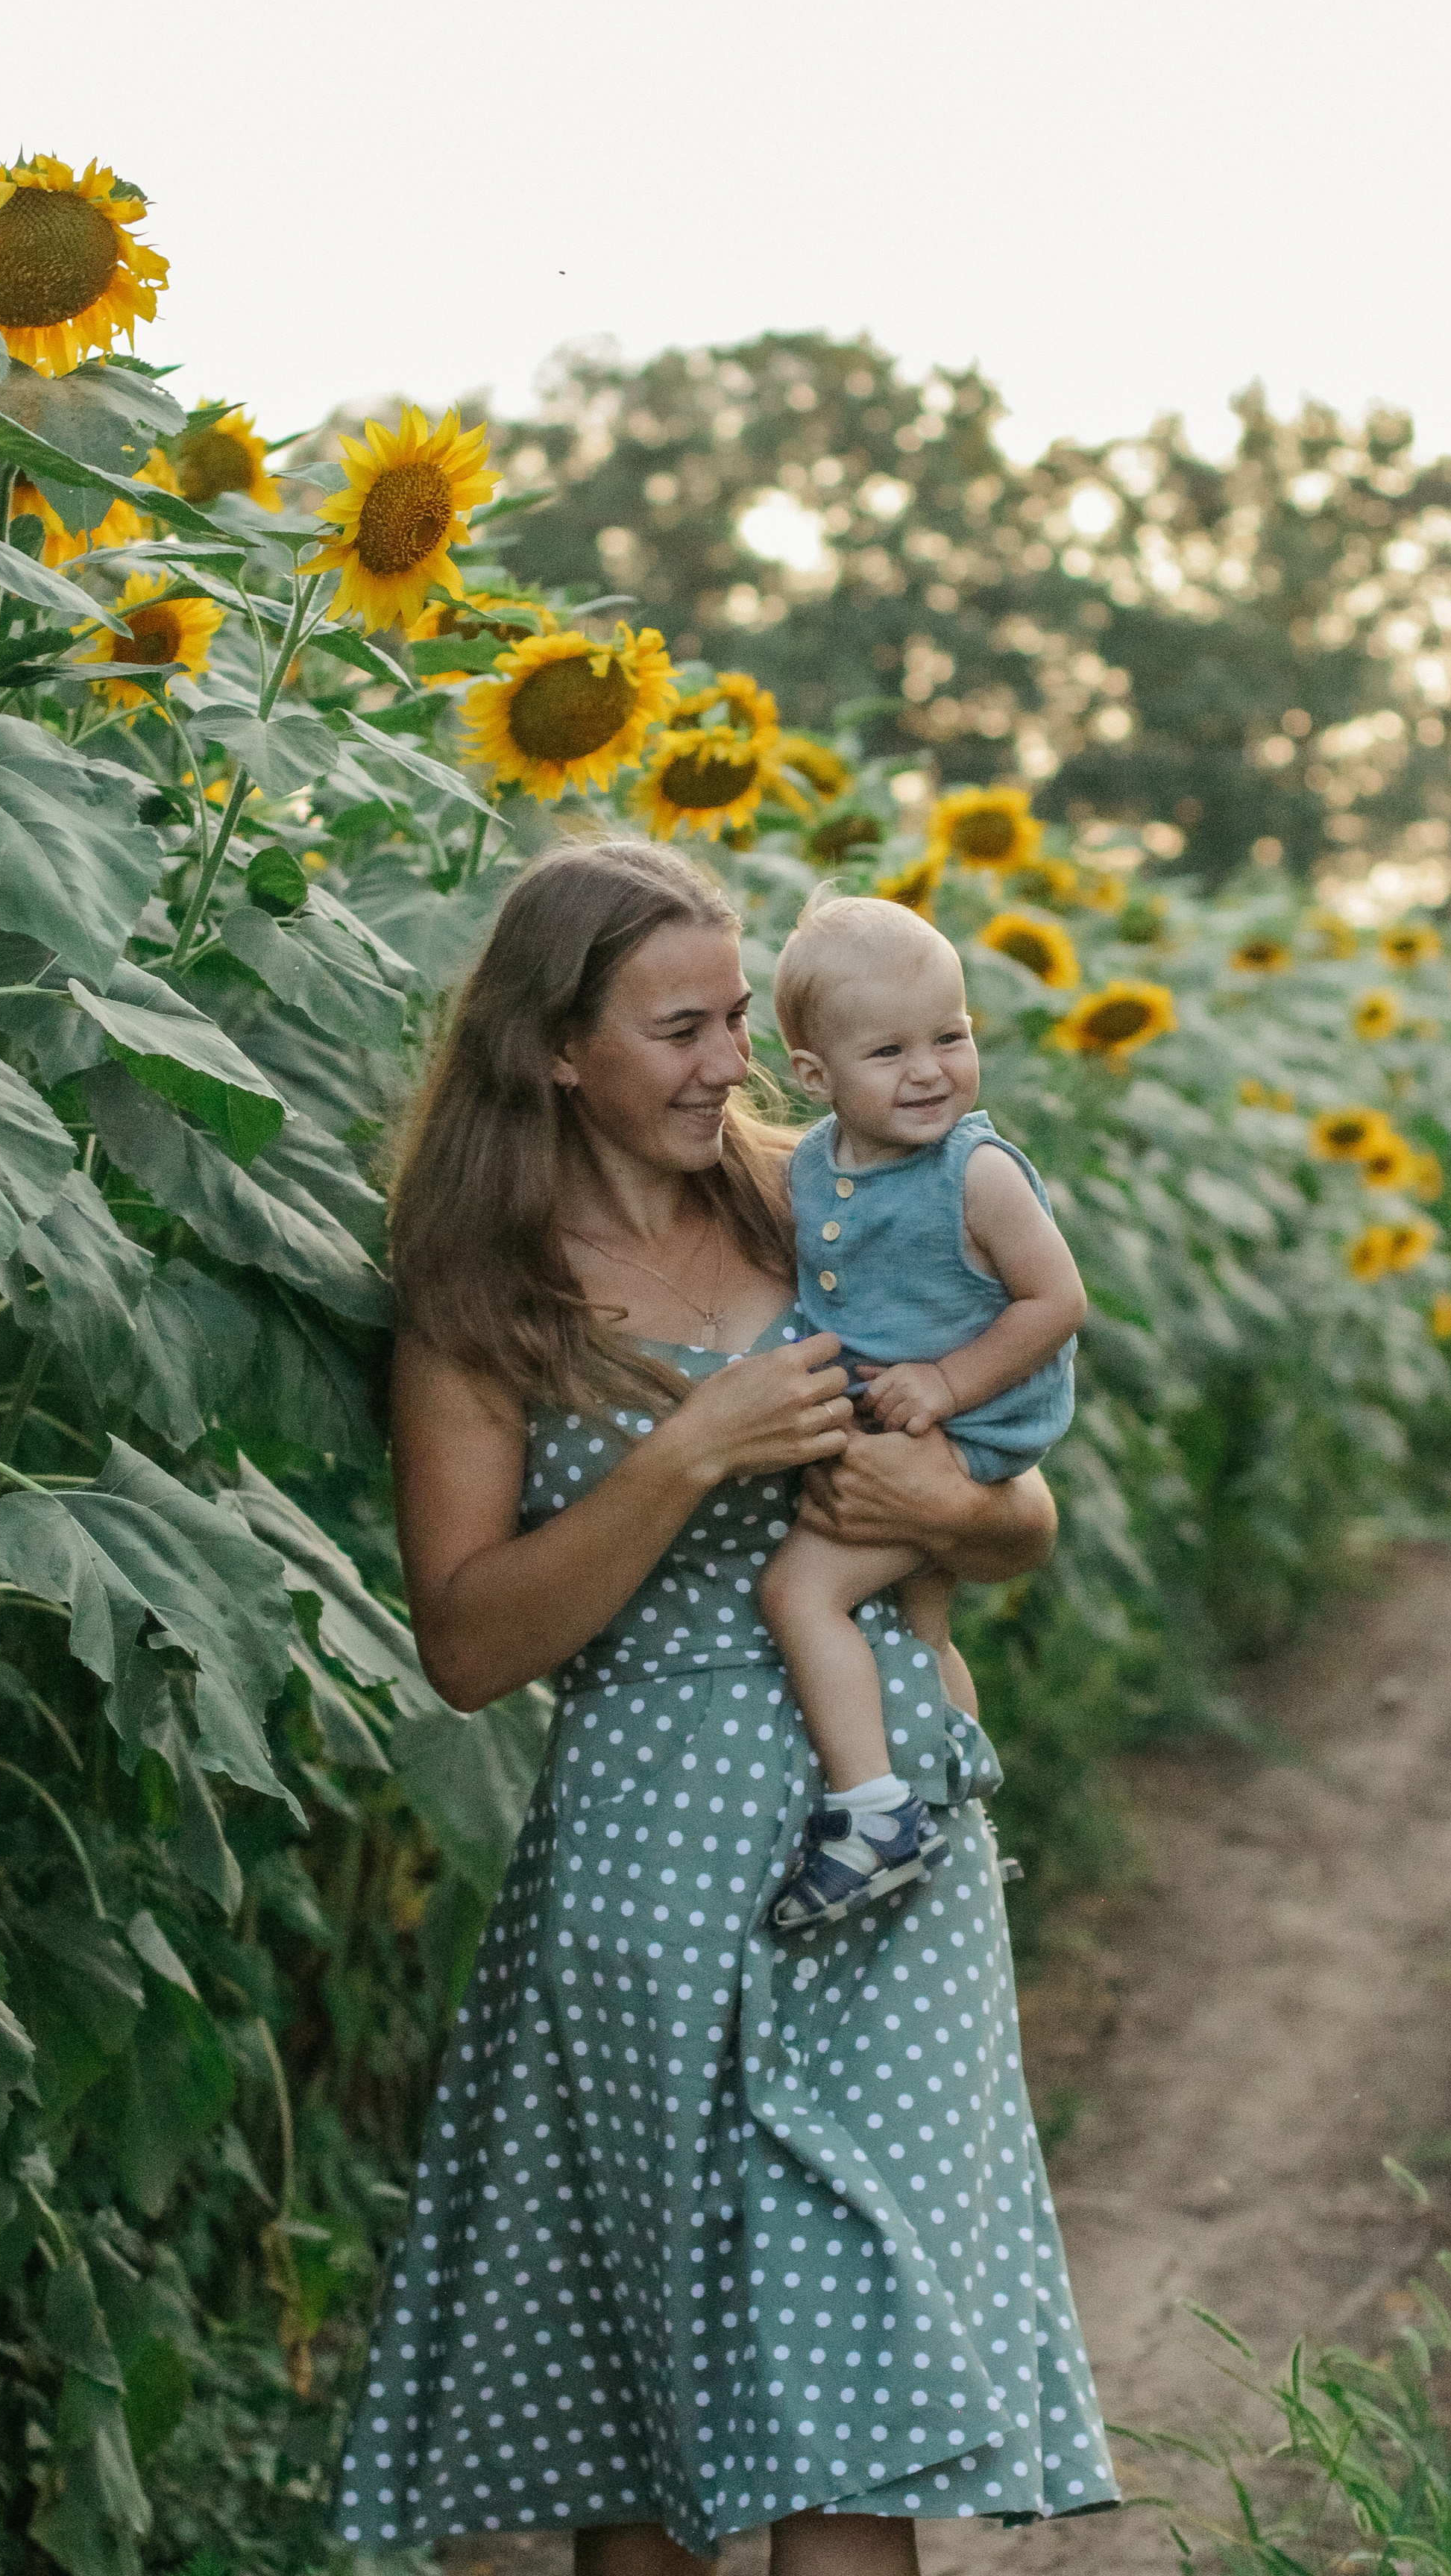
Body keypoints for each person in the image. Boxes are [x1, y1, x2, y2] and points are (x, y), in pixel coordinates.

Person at [336, 838, 1118, 2574]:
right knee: (658, 2415)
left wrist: (951, 1515)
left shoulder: (827, 1190)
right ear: (557, 1050)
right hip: (651, 1860)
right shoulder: (485, 1294)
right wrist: (691, 1453)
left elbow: (1016, 1502)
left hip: (883, 1850)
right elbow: (464, 1643)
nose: (729, 1065)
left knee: (852, 2402)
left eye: (740, 1019)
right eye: (677, 1030)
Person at [758, 896, 1086, 1933]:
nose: (930, 1070)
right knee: (922, 1620)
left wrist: (945, 1387)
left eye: (950, 1037)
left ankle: (875, 1820)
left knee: (800, 1593)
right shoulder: (811, 1163)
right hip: (901, 1417)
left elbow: (1057, 1302)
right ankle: (960, 1807)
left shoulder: (976, 1174)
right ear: (817, 1078)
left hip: (969, 1423)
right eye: (891, 1050)